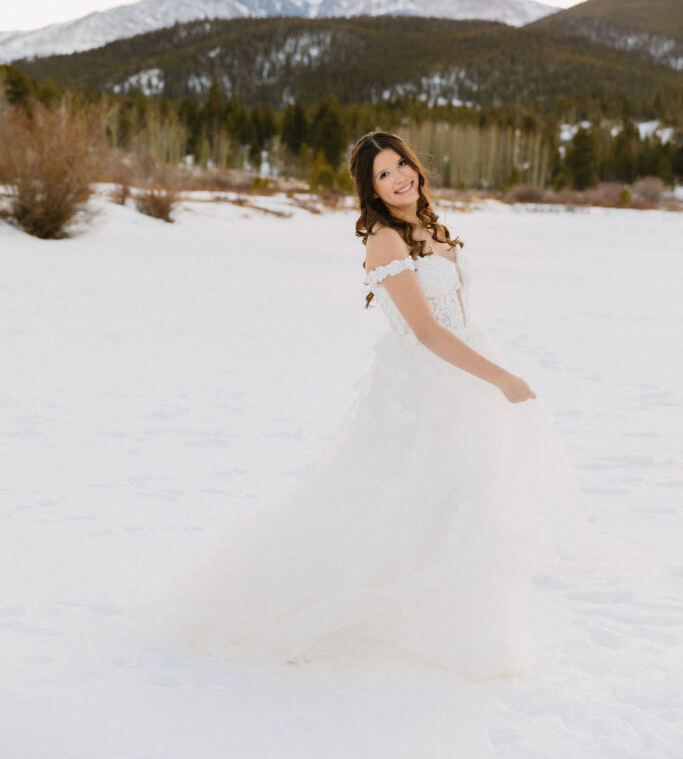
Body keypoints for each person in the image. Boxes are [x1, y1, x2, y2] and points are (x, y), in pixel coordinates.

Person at [144, 130, 652, 681]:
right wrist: (502, 379)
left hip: (462, 382)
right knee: (382, 505)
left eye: (401, 165)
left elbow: (458, 318)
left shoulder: (431, 228)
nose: (399, 177)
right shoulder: (385, 240)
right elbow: (428, 333)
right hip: (419, 392)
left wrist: (487, 378)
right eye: (383, 175)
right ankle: (304, 605)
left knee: (463, 506)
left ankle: (461, 632)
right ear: (372, 190)